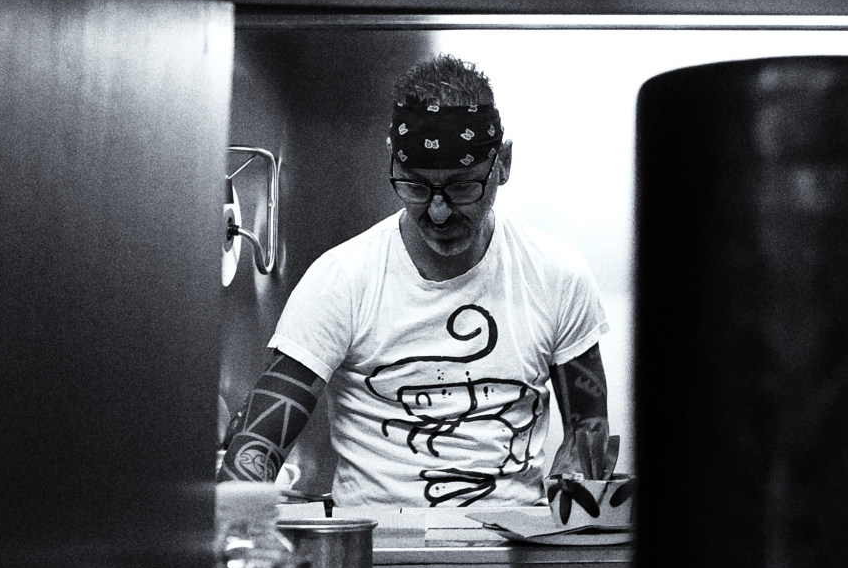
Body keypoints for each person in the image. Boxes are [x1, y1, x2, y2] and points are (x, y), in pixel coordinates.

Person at [219, 54, 613, 508]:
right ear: (393, 162)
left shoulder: (557, 275)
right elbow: (253, 453)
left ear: (503, 163)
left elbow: (589, 432)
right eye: (416, 187)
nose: (440, 212)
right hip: (374, 555)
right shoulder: (343, 280)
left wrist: (578, 471)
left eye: (464, 187)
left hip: (514, 558)